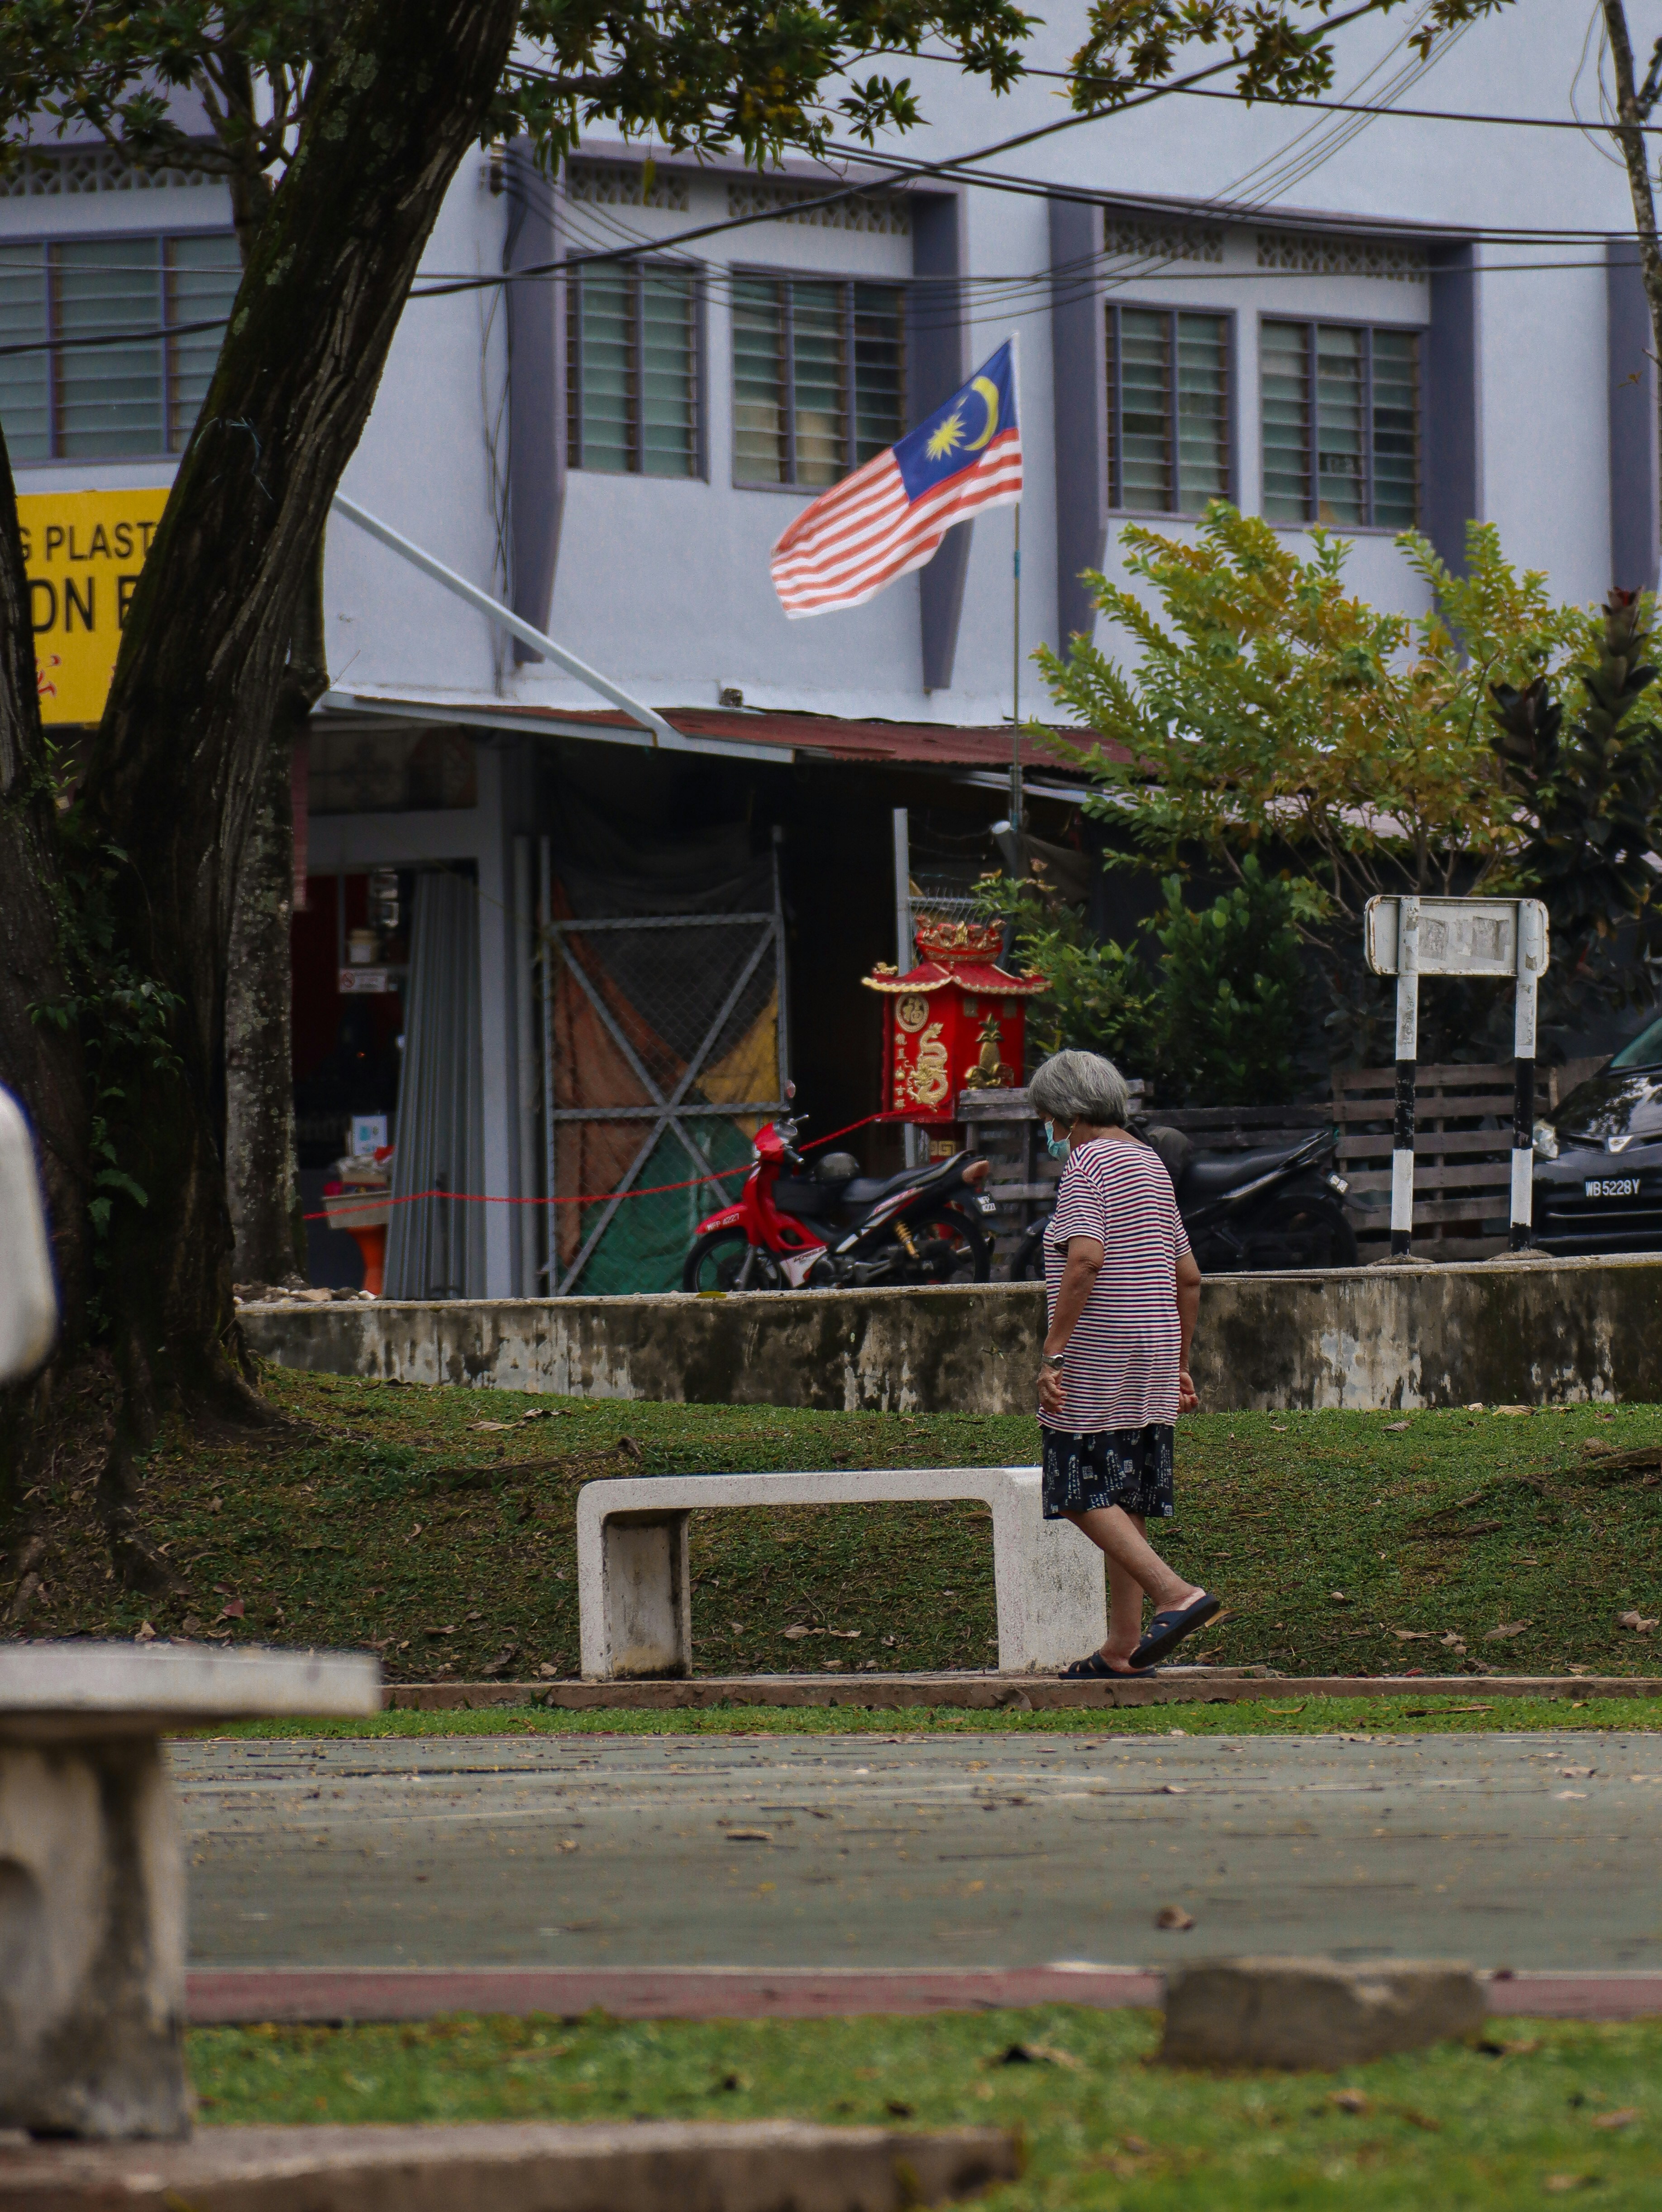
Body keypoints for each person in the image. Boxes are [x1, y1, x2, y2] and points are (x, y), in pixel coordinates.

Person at [1027, 1049, 1218, 1676]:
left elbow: (1084, 1258)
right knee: (1122, 1487)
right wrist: (1181, 1362)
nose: (1048, 1128)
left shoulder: (1087, 1162)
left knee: (1075, 1482)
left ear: (1070, 1112)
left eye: (1047, 1115)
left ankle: (1176, 1594)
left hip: (1101, 1345)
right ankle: (1123, 1647)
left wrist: (1053, 1351)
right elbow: (1187, 1276)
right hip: (1157, 1341)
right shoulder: (1149, 1161)